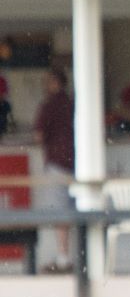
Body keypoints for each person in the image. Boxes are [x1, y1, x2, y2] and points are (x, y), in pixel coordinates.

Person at [32, 69, 75, 272]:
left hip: (58, 163)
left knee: (60, 213)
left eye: (48, 81)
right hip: (79, 163)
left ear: (55, 83)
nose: (45, 86)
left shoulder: (49, 106)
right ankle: (82, 258)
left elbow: (38, 136)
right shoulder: (73, 103)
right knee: (78, 211)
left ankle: (63, 259)